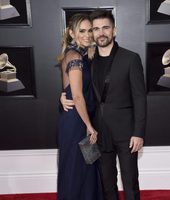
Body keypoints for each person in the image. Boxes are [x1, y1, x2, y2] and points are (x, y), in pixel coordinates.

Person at [61, 10, 147, 200]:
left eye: (105, 28)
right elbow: (75, 87)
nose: (100, 33)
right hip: (98, 132)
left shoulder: (130, 58)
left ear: (114, 31)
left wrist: (138, 132)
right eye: (96, 29)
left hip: (126, 133)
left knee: (130, 182)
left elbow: (140, 98)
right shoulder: (87, 60)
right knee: (106, 184)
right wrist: (62, 94)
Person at [57, 13, 102, 200]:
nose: (87, 34)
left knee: (84, 166)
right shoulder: (75, 56)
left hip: (77, 117)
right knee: (78, 168)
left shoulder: (81, 55)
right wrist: (89, 126)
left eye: (90, 30)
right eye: (81, 30)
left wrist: (61, 95)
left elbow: (66, 88)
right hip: (77, 120)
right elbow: (76, 96)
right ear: (71, 33)